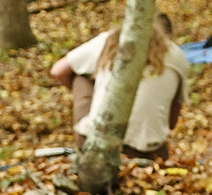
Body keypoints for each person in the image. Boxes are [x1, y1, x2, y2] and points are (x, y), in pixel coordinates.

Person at [50, 13, 187, 156]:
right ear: (169, 34)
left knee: (80, 75)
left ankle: (93, 125)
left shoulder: (108, 39)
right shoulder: (177, 55)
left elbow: (58, 71)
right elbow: (172, 122)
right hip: (147, 150)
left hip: (95, 142)